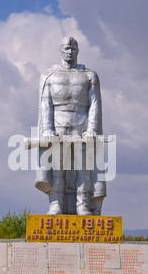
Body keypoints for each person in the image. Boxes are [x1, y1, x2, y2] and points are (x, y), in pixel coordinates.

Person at [35, 36, 106, 215]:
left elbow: (94, 103)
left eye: (73, 48)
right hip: (58, 126)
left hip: (81, 125)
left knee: (83, 167)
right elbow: (45, 104)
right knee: (57, 167)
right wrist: (48, 129)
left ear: (78, 51)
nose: (70, 52)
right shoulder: (49, 75)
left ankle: (82, 204)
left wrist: (92, 129)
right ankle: (55, 204)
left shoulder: (89, 75)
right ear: (60, 50)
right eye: (66, 48)